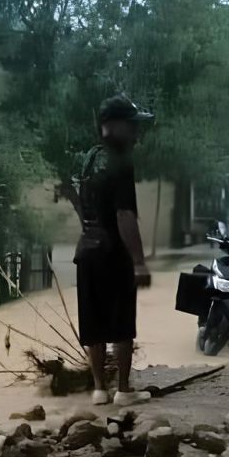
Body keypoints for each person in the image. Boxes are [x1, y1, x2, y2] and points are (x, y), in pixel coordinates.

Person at [73, 94, 154, 406]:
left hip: (87, 248)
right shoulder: (121, 163)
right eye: (132, 126)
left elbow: (77, 200)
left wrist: (88, 227)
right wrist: (139, 262)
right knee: (121, 320)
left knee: (93, 321)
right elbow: (125, 215)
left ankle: (98, 389)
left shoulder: (89, 158)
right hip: (112, 251)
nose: (136, 133)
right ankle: (123, 390)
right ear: (113, 126)